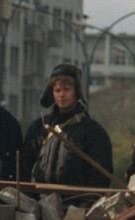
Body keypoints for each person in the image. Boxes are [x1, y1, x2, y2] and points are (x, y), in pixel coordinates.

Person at [23, 63, 113, 199]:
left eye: (67, 89)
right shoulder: (39, 128)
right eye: (57, 90)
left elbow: (100, 177)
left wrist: (85, 205)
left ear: (76, 92)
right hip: (39, 203)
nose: (62, 95)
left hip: (75, 207)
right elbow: (25, 166)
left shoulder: (92, 131)